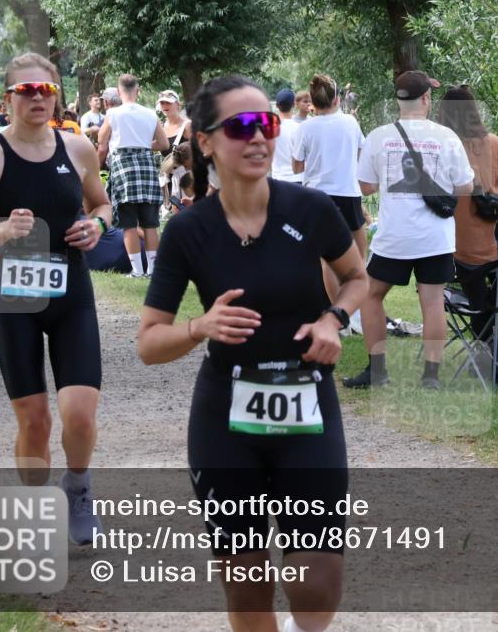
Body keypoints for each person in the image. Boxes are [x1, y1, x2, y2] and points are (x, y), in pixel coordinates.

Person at [137, 74, 368, 632]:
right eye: (241, 126)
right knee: (247, 591)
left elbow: (358, 278)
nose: (259, 136)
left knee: (316, 587)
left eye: (266, 123)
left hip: (307, 406)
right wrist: (200, 326)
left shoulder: (311, 209)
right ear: (206, 141)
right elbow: (149, 342)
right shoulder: (188, 230)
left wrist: (333, 319)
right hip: (225, 418)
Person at [0, 52, 113, 544]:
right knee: (35, 421)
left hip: (71, 295)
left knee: (79, 413)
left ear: (56, 95)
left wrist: (96, 224)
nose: (37, 97)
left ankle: (77, 488)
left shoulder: (78, 148)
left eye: (46, 89)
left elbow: (103, 203)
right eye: (26, 90)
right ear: (8, 98)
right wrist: (0, 232)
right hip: (14, 301)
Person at [346, 70, 475, 390]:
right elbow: (466, 187)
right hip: (435, 237)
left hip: (395, 236)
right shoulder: (446, 137)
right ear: (426, 98)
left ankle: (377, 371)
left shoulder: (378, 137)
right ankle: (431, 376)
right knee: (432, 302)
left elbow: (366, 186)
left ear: (398, 101)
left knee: (371, 295)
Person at [437, 85, 498, 340]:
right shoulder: (493, 142)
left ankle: (485, 339)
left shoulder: (444, 147)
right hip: (497, 242)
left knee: (476, 295)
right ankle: (494, 334)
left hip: (457, 248)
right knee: (491, 294)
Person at [292, 74, 367, 304]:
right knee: (359, 254)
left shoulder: (305, 127)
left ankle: (339, 310)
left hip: (318, 196)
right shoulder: (350, 122)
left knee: (327, 258)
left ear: (313, 103)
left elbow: (296, 167)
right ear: (337, 100)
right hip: (348, 192)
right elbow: (361, 153)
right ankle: (354, 305)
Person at [97, 74, 168, 278]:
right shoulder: (150, 114)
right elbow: (163, 144)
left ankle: (137, 271)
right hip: (147, 168)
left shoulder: (113, 113)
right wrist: (143, 145)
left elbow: (102, 140)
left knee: (128, 224)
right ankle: (152, 270)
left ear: (119, 92)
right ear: (137, 91)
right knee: (150, 224)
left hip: (123, 169)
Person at [270, 88, 303, 184]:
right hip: (297, 178)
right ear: (294, 105)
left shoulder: (270, 129)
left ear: (277, 105)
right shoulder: (299, 128)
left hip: (277, 179)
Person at [157, 89, 192, 158]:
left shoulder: (188, 125)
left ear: (178, 104)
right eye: (162, 103)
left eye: (168, 102)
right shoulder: (161, 127)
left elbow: (199, 150)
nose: (165, 106)